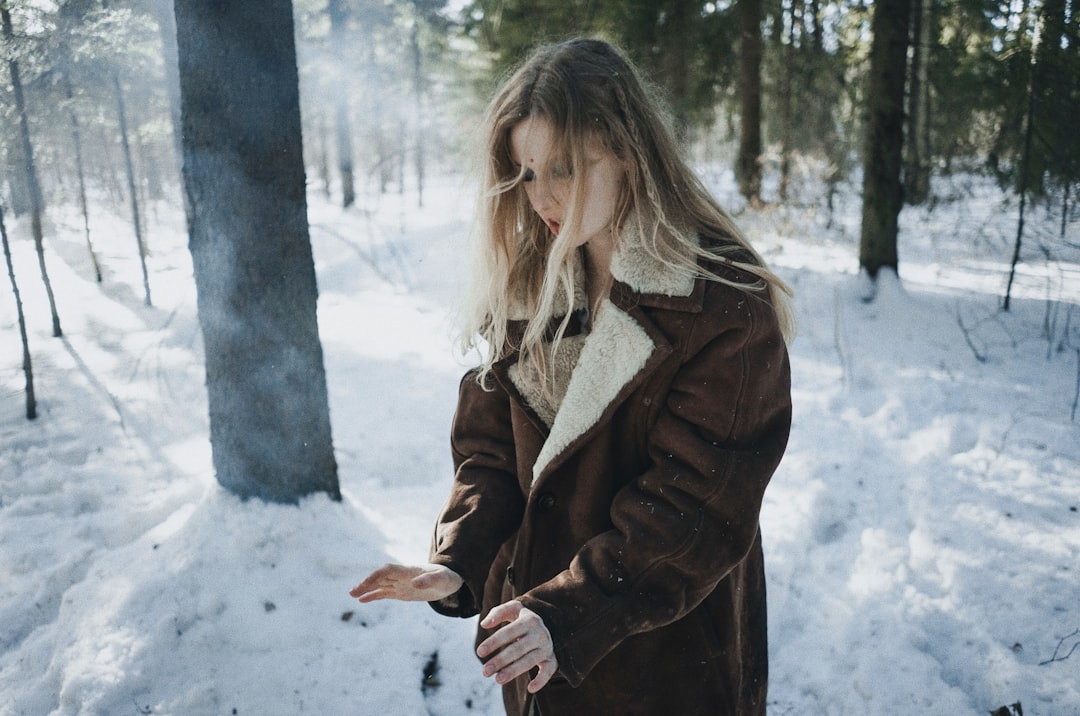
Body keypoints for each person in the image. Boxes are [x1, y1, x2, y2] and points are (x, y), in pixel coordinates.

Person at [349, 37, 793, 716]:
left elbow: (695, 509)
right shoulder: (534, 280)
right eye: (525, 172)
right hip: (537, 657)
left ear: (624, 149)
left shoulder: (722, 304)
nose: (540, 195)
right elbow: (491, 454)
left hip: (665, 660)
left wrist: (570, 612)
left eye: (559, 167)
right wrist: (457, 561)